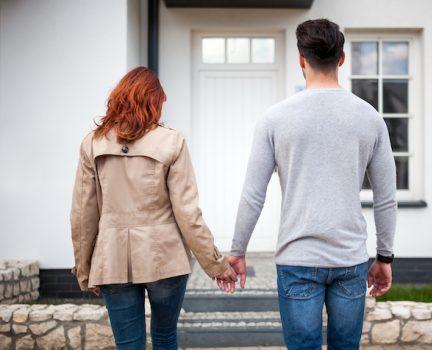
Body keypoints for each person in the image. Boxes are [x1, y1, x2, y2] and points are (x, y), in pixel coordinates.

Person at [225, 19, 397, 349]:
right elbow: (386, 197)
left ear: (301, 59)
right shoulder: (370, 118)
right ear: (342, 59)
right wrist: (385, 257)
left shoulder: (274, 119)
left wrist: (237, 250)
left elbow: (253, 194)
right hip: (350, 261)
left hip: (297, 260)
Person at [70, 67, 237, 350]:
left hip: (111, 259)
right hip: (165, 259)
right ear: (153, 101)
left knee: (128, 344)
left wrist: (86, 270)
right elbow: (188, 214)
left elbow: (82, 215)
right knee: (164, 337)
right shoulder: (171, 141)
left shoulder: (93, 143)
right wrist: (215, 264)